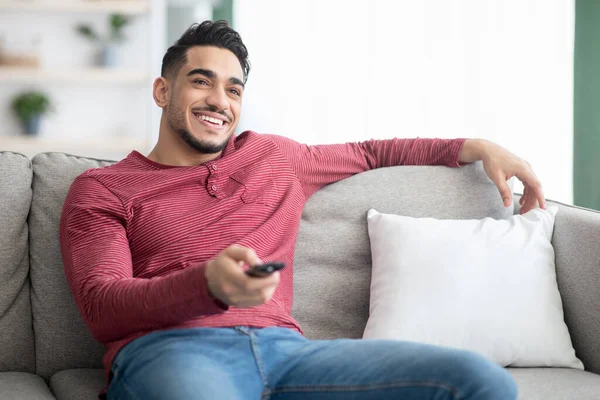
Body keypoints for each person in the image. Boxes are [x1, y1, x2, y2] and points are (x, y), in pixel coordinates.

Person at [60, 20, 545, 400]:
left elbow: (373, 153)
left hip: (290, 353)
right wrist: (208, 285)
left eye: (233, 89)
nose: (218, 101)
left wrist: (475, 146)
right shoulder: (104, 188)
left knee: (480, 383)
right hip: (171, 353)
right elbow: (104, 308)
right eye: (201, 82)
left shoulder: (276, 157)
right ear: (163, 91)